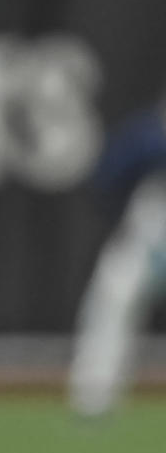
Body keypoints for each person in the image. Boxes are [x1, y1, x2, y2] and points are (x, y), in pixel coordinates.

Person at [68, 99, 166, 417]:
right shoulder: (147, 134)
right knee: (111, 303)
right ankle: (94, 395)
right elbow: (107, 178)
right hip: (143, 239)